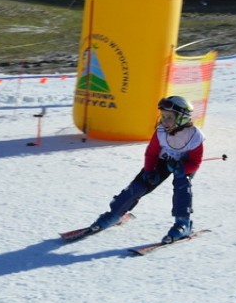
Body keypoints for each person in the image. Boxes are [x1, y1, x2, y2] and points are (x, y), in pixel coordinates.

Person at [88, 95, 205, 244]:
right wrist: (149, 171)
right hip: (162, 161)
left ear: (182, 118)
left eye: (169, 117)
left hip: (184, 165)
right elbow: (151, 153)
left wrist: (180, 169)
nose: (164, 120)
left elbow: (195, 162)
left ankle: (183, 224)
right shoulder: (161, 131)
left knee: (182, 186)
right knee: (140, 185)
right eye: (163, 116)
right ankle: (115, 214)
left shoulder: (194, 136)